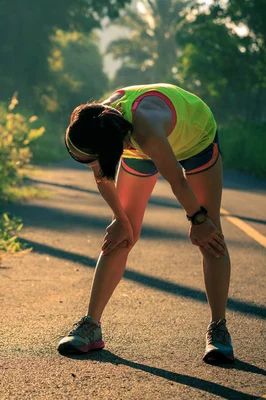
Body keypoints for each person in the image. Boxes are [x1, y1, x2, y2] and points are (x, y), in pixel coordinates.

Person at [57, 83, 233, 364]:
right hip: (138, 145)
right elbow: (102, 176)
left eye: (92, 160)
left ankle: (219, 330)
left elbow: (177, 179)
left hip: (195, 137)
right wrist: (119, 218)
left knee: (210, 235)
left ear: (112, 149)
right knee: (121, 235)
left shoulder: (145, 130)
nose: (92, 166)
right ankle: (91, 325)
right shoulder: (96, 123)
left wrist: (198, 219)